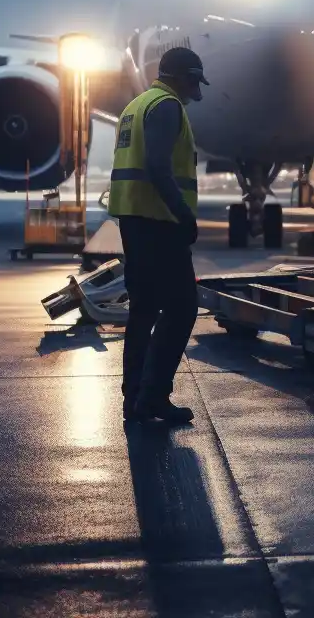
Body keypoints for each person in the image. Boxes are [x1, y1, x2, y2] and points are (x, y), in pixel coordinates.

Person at [108, 47, 209, 424]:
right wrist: (183, 215)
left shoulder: (136, 105)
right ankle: (152, 396)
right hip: (160, 222)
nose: (194, 93)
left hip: (134, 221)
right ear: (184, 77)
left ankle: (134, 397)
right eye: (194, 82)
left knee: (144, 310)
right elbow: (157, 166)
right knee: (182, 309)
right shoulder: (167, 106)